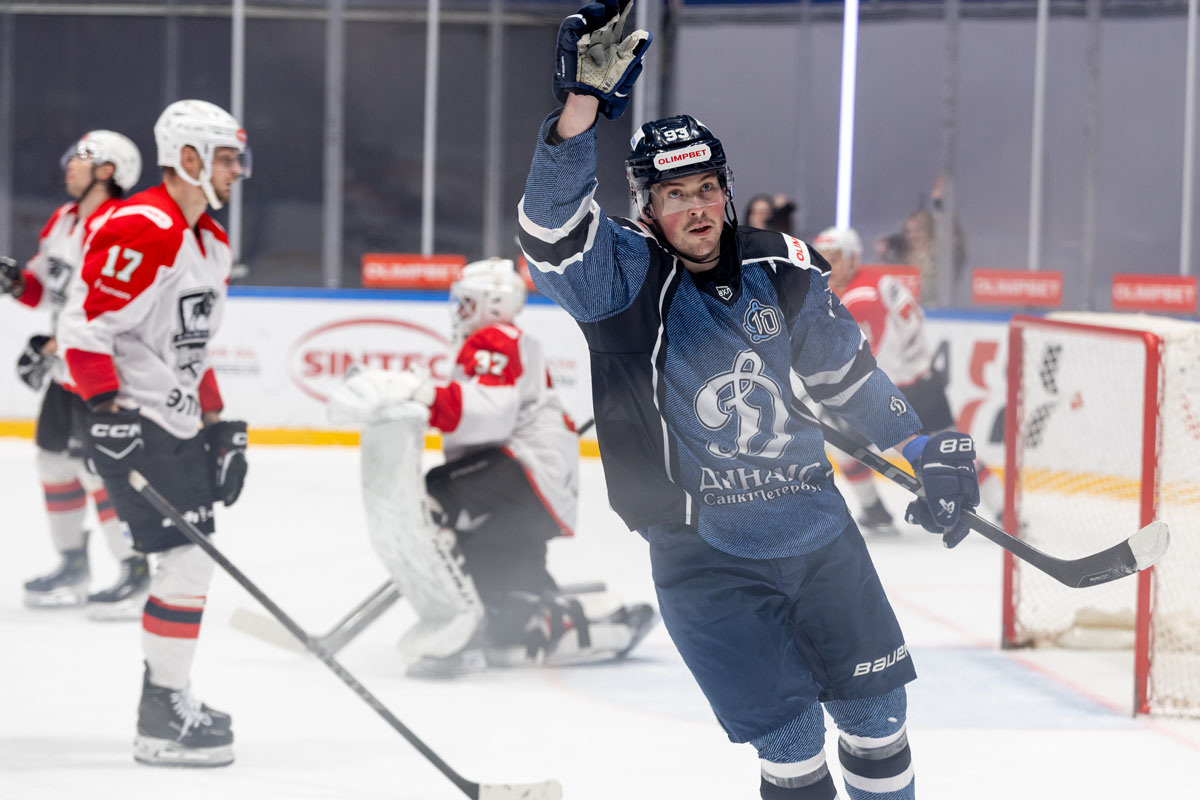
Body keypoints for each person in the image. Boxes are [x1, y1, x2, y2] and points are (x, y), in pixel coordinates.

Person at [516, 3, 981, 798]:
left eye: (707, 188)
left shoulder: (782, 267)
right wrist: (580, 114)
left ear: (726, 191)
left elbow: (847, 377)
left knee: (878, 717)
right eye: (675, 194)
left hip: (818, 530)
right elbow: (549, 229)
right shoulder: (618, 278)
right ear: (646, 206)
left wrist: (916, 445)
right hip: (705, 554)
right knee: (791, 742)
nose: (696, 208)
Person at [327, 257, 658, 678]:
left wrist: (421, 392)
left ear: (492, 304)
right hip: (532, 484)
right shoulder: (495, 342)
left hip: (527, 471)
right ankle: (551, 613)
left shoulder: (495, 338)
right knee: (507, 622)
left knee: (437, 497)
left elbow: (489, 412)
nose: (459, 310)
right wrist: (423, 395)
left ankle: (457, 629)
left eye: (467, 302)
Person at [57, 99, 251, 767]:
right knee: (187, 561)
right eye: (226, 159)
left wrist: (218, 424)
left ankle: (167, 701)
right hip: (134, 422)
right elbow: (85, 327)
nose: (236, 171)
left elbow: (189, 349)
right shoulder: (144, 226)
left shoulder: (210, 241)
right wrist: (105, 410)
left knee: (190, 563)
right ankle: (163, 714)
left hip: (176, 420)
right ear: (188, 158)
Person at [0, 130, 148, 618]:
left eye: (82, 158)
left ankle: (134, 568)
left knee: (99, 471)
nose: (70, 165)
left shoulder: (121, 228)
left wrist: (53, 344)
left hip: (102, 374)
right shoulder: (64, 221)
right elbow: (46, 291)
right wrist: (16, 282)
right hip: (66, 375)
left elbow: (107, 310)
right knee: (53, 463)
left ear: (108, 171)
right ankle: (72, 564)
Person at [813, 226, 1004, 535]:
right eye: (821, 259)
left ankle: (874, 511)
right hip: (925, 384)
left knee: (843, 445)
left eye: (833, 259)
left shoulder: (857, 298)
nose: (826, 267)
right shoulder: (878, 282)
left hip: (889, 391)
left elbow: (869, 357)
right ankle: (1007, 511)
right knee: (951, 453)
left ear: (852, 260)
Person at [876, 176, 966, 306]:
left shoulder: (939, 255)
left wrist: (940, 205)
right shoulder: (900, 259)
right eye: (908, 231)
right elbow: (883, 285)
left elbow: (955, 240)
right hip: (904, 312)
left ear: (929, 231)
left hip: (935, 312)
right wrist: (883, 255)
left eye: (918, 230)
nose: (912, 236)